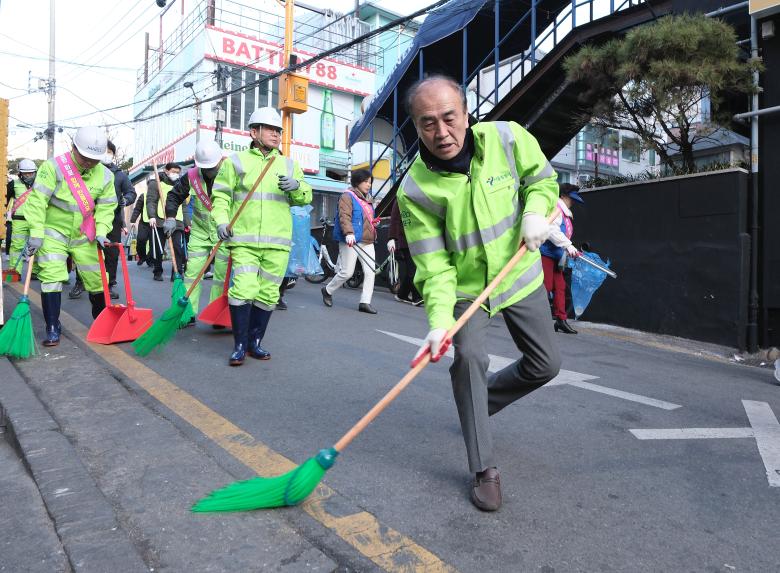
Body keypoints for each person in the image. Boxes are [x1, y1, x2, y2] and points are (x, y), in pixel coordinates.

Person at [397, 75, 561, 511]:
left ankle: (479, 404)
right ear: (416, 127)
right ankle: (484, 467)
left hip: (519, 274)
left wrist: (535, 213)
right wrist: (438, 323)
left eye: (449, 118)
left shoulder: (509, 138)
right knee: (469, 359)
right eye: (427, 123)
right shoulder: (414, 189)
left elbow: (542, 181)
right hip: (467, 291)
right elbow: (434, 266)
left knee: (547, 365)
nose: (442, 132)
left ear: (467, 115)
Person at [212, 107, 312, 366]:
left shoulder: (290, 165)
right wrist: (222, 222)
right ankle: (240, 345)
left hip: (277, 244)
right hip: (244, 240)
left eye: (279, 130)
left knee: (268, 295)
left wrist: (298, 187)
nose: (276, 134)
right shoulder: (236, 161)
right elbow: (221, 197)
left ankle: (255, 342)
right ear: (254, 132)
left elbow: (305, 197)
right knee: (243, 290)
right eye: (270, 129)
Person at [23, 126, 116, 346]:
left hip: (85, 234)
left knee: (96, 280)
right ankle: (53, 327)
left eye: (94, 160)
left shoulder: (106, 175)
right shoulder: (53, 167)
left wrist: (102, 232)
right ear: (74, 148)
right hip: (53, 231)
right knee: (52, 277)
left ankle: (102, 324)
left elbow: (106, 207)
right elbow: (37, 202)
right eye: (85, 158)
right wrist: (36, 233)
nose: (89, 163)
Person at [163, 139, 229, 325]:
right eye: (205, 168)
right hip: (200, 231)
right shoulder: (192, 176)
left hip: (223, 232)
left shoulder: (231, 172)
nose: (209, 172)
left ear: (220, 160)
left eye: (212, 168)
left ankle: (217, 315)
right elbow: (174, 196)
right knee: (192, 273)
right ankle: (188, 313)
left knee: (221, 276)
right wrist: (169, 217)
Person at [321, 169, 379, 314]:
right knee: (347, 272)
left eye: (370, 182)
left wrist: (373, 223)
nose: (368, 185)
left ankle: (365, 302)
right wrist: (348, 233)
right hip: (351, 239)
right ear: (357, 181)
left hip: (367, 240)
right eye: (366, 181)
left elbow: (366, 219)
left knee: (371, 271)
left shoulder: (368, 199)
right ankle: (327, 290)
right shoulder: (347, 196)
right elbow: (344, 216)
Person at [540, 183, 584, 334]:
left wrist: (570, 249)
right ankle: (541, 321)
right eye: (571, 199)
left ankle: (561, 320)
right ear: (563, 196)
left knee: (560, 288)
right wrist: (568, 246)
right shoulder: (556, 209)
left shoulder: (564, 213)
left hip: (557, 256)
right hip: (545, 253)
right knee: (545, 287)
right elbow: (551, 230)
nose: (572, 202)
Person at [100, 140, 137, 299]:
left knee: (112, 253)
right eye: (103, 151)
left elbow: (131, 193)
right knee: (87, 252)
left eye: (109, 152)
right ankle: (81, 282)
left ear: (113, 155)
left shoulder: (120, 175)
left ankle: (109, 284)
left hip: (113, 220)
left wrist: (125, 200)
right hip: (89, 219)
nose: (106, 154)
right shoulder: (88, 172)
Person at [146, 162, 186, 282]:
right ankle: (157, 271)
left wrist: (187, 222)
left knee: (178, 248)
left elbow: (183, 205)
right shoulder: (155, 183)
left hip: (177, 221)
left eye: (178, 173)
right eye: (174, 172)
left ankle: (177, 272)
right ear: (166, 170)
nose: (176, 175)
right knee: (158, 248)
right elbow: (151, 200)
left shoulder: (181, 184)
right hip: (160, 220)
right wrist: (151, 216)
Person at [387, 199, 423, 306]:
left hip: (418, 238)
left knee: (411, 270)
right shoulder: (401, 197)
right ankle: (417, 296)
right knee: (413, 269)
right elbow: (394, 219)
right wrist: (392, 238)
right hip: (405, 239)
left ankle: (402, 294)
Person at [6, 159, 37, 271]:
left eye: (31, 173)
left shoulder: (41, 184)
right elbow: (4, 201)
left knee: (38, 246)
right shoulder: (13, 184)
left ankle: (35, 271)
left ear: (35, 172)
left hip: (37, 220)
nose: (28, 175)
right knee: (16, 246)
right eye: (25, 173)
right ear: (20, 173)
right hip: (19, 221)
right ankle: (15, 270)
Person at [129, 192, 151, 266]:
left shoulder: (162, 194)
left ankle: (149, 259)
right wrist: (133, 220)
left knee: (155, 244)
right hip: (144, 223)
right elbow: (137, 209)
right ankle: (142, 257)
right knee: (141, 240)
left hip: (157, 223)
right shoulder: (143, 195)